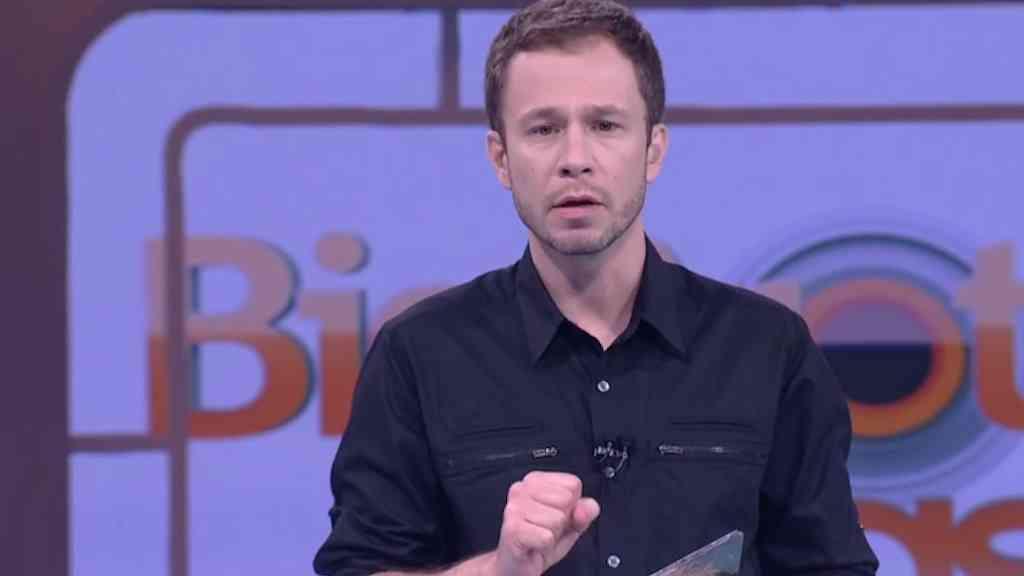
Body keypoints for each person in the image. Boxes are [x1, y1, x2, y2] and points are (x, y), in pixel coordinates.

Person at [314, 0, 879, 574]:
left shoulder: (767, 347)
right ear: (501, 158)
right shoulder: (419, 354)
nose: (575, 159)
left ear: (653, 150)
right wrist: (499, 570)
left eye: (605, 125)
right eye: (544, 129)